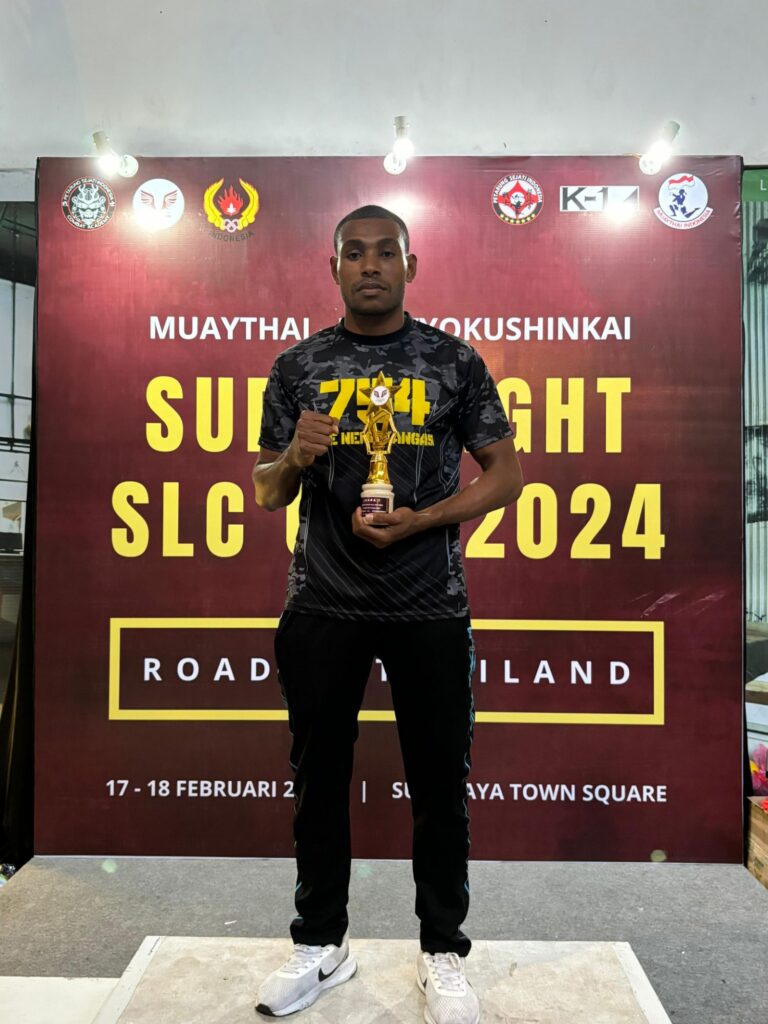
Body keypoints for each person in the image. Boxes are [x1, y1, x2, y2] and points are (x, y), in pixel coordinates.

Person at [252, 204, 523, 1023]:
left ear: (411, 265)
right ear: (333, 267)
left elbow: (505, 475)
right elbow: (266, 492)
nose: (369, 265)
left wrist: (422, 519)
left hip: (429, 605)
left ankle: (443, 952)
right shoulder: (298, 366)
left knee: (440, 785)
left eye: (385, 252)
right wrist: (294, 456)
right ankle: (320, 943)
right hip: (324, 603)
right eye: (354, 253)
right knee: (318, 782)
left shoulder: (453, 361)